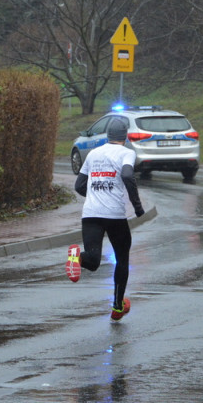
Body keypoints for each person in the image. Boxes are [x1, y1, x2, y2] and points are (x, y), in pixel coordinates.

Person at [67, 116, 145, 321]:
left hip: (91, 214)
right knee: (122, 259)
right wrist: (137, 206)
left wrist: (95, 194)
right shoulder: (127, 152)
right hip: (115, 216)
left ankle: (77, 257)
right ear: (125, 136)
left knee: (92, 260)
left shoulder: (93, 154)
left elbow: (79, 185)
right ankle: (118, 306)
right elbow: (128, 175)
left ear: (108, 135)